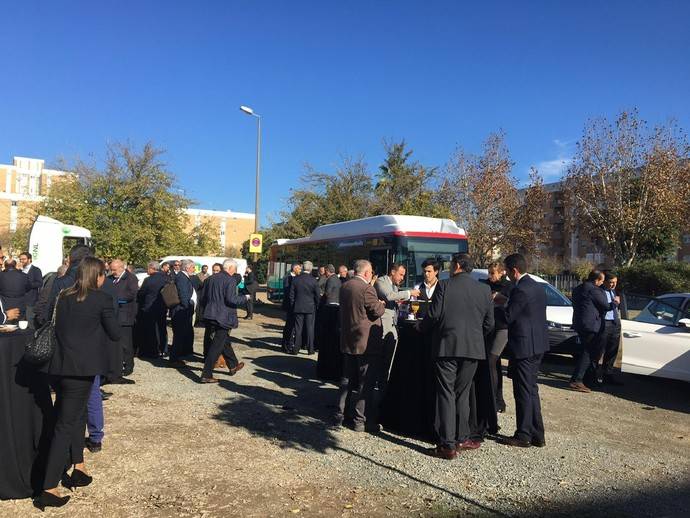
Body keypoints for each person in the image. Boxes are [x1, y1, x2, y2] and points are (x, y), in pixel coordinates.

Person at [35, 257, 121, 510]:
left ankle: (78, 467)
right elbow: (115, 333)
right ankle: (49, 487)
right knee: (65, 425)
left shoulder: (63, 296)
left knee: (76, 416)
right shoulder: (101, 299)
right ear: (97, 276)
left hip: (59, 366)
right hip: (81, 370)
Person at [418, 253, 493, 459]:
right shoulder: (484, 289)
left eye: (451, 265)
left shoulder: (445, 285)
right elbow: (489, 324)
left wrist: (420, 327)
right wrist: (475, 337)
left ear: (457, 265)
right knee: (463, 392)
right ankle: (462, 437)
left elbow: (433, 315)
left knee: (446, 393)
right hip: (473, 349)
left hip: (447, 347)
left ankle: (447, 444)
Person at [500, 253, 549, 448]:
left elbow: (509, 316)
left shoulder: (521, 290)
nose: (506, 275)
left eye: (507, 271)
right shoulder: (536, 286)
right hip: (537, 344)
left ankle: (523, 434)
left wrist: (496, 307)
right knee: (531, 390)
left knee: (522, 391)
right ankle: (537, 433)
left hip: (524, 347)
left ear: (514, 270)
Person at [336, 259, 385, 431]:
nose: (372, 274)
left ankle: (340, 414)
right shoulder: (367, 289)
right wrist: (382, 304)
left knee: (347, 379)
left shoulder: (345, 286)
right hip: (365, 343)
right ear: (366, 273)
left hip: (349, 339)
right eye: (371, 271)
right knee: (365, 383)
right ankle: (359, 420)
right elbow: (376, 310)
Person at [200, 259, 250, 383]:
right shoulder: (230, 280)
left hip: (211, 314)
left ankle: (233, 365)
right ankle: (206, 374)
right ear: (230, 268)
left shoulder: (211, 278)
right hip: (223, 317)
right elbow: (231, 299)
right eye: (234, 269)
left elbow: (204, 297)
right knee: (217, 346)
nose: (235, 271)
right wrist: (245, 298)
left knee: (224, 341)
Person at [374, 263, 420, 398]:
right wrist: (409, 293)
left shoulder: (393, 285)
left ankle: (384, 389)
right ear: (392, 272)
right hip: (383, 327)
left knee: (388, 361)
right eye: (400, 274)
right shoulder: (381, 281)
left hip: (392, 326)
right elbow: (389, 296)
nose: (402, 278)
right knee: (381, 361)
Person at [569, 269, 618, 393]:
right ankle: (577, 380)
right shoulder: (594, 290)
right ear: (597, 280)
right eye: (602, 281)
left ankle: (584, 379)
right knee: (588, 352)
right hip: (590, 325)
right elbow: (606, 306)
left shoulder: (578, 288)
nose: (602, 283)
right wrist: (615, 302)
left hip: (579, 323)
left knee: (586, 351)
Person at [480, 262, 512, 413]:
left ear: (501, 273)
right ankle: (497, 398)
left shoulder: (508, 286)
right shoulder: (485, 284)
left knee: (492, 360)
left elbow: (510, 303)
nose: (490, 276)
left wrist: (501, 299)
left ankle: (495, 399)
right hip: (488, 327)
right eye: (489, 272)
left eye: (493, 273)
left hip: (501, 328)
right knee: (494, 363)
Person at [109, 259, 139, 381]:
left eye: (115, 270)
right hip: (114, 315)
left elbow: (131, 295)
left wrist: (115, 299)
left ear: (122, 268)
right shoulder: (110, 278)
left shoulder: (131, 278)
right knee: (116, 343)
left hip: (125, 315)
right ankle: (117, 365)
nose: (113, 272)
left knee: (126, 343)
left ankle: (128, 366)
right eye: (111, 269)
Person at [136, 261, 169, 358]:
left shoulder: (148, 280)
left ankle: (153, 350)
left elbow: (141, 294)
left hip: (149, 308)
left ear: (152, 268)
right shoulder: (166, 278)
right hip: (162, 307)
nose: (147, 270)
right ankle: (164, 349)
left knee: (151, 330)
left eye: (148, 268)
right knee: (162, 328)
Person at [317, 264, 343, 380]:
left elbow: (327, 294)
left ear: (327, 271)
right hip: (337, 307)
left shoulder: (330, 280)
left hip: (329, 307)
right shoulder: (338, 280)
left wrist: (322, 297)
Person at [289, 261, 321, 355]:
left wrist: (293, 305)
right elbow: (317, 296)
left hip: (298, 306)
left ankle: (296, 349)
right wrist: (317, 305)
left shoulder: (296, 279)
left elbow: (291, 295)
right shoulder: (314, 280)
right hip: (310, 307)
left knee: (298, 329)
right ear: (311, 269)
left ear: (303, 268)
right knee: (310, 329)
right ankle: (310, 349)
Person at [169, 259, 196, 366]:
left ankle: (177, 356)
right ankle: (174, 359)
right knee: (179, 335)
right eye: (193, 267)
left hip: (182, 310)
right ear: (187, 267)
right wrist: (187, 307)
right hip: (181, 311)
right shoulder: (182, 278)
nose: (194, 269)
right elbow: (183, 295)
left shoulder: (183, 276)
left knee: (181, 335)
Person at [599, 272, 623, 386]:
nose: (613, 285)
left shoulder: (614, 291)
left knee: (612, 351)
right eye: (611, 282)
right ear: (604, 282)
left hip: (615, 322)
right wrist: (614, 303)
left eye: (615, 282)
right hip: (604, 323)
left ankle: (608, 374)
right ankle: (592, 376)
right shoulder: (599, 292)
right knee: (599, 350)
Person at [281, 263, 301, 352]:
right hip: (289, 305)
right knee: (289, 325)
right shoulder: (287, 277)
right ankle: (286, 344)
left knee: (292, 325)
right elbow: (287, 291)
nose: (300, 270)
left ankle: (289, 343)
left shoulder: (297, 277)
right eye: (299, 269)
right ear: (294, 268)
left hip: (294, 305)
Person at [19, 251, 43, 326]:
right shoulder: (19, 270)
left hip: (31, 300)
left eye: (24, 259)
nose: (21, 261)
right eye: (20, 259)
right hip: (20, 300)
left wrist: (29, 285)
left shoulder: (36, 270)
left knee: (30, 321)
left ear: (29, 260)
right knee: (20, 322)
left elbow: (39, 283)